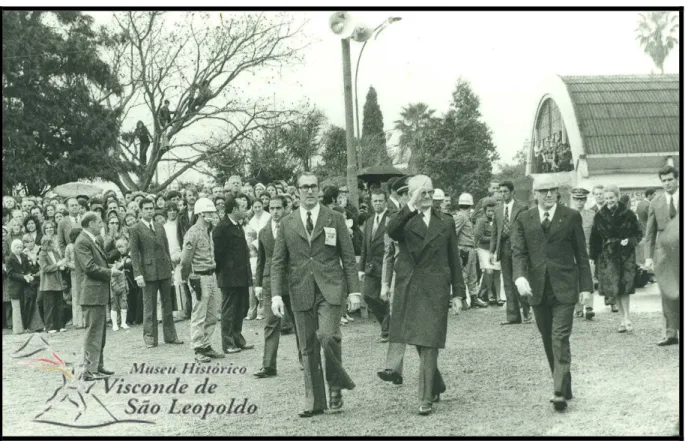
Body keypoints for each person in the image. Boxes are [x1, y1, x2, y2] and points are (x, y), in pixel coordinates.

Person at [270, 172, 361, 418]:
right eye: (304, 187)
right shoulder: (287, 223)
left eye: (313, 187)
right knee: (307, 347)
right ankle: (314, 401)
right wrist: (276, 295)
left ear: (318, 190)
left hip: (330, 288)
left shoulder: (335, 218)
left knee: (328, 336)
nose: (309, 191)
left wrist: (354, 291)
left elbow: (348, 258)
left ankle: (335, 384)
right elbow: (278, 262)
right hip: (300, 290)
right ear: (297, 191)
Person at [382, 175, 466, 415]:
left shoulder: (446, 222)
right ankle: (436, 383)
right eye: (422, 193)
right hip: (410, 286)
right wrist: (410, 205)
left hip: (436, 287)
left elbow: (454, 260)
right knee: (418, 340)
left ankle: (425, 398)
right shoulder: (404, 219)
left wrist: (458, 294)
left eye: (430, 192)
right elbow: (391, 230)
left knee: (429, 342)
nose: (427, 197)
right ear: (411, 195)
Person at [511, 176, 592, 412]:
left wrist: (586, 287)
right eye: (543, 191)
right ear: (535, 194)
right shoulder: (524, 218)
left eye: (552, 190)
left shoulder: (571, 216)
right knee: (548, 338)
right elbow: (519, 253)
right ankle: (564, 384)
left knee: (559, 337)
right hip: (537, 290)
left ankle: (557, 391)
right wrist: (520, 276)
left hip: (565, 288)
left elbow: (582, 254)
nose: (548, 194)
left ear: (558, 193)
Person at [253, 195, 301, 378]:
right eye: (271, 208)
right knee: (271, 324)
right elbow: (261, 260)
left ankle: (305, 359)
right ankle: (268, 366)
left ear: (285, 208)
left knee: (299, 322)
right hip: (270, 282)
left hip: (293, 280)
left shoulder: (294, 227)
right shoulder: (264, 231)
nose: (274, 212)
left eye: (278, 208)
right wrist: (258, 284)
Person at [128, 199, 183, 348]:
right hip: (147, 272)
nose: (149, 211)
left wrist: (171, 269)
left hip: (164, 270)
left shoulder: (160, 226)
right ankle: (150, 337)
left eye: (151, 208)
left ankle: (171, 336)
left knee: (168, 304)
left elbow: (166, 248)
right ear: (140, 211)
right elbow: (134, 254)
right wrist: (137, 274)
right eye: (146, 208)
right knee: (149, 306)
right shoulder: (135, 229)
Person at [74, 212, 121, 381]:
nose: (102, 225)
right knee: (93, 332)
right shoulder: (82, 241)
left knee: (99, 332)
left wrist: (110, 267)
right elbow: (89, 267)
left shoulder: (90, 240)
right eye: (99, 222)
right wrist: (110, 272)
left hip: (97, 293)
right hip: (91, 294)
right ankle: (88, 370)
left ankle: (96, 366)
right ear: (91, 223)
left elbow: (96, 264)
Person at [589, 185, 642, 333]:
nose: (609, 201)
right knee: (615, 289)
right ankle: (622, 320)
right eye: (606, 198)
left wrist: (630, 240)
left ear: (617, 197)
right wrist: (593, 256)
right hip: (608, 256)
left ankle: (627, 318)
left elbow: (639, 232)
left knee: (625, 287)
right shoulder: (599, 215)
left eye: (611, 198)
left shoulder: (629, 214)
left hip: (625, 255)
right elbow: (594, 238)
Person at [180, 198, 225, 363]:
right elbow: (185, 260)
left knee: (212, 314)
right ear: (201, 213)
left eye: (213, 212)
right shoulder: (193, 233)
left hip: (211, 275)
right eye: (209, 212)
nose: (212, 215)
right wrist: (187, 278)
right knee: (199, 314)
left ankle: (206, 345)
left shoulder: (209, 231)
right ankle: (198, 347)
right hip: (199, 276)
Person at [213, 193, 255, 354]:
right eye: (243, 207)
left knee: (241, 308)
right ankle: (228, 343)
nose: (245, 210)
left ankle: (237, 338)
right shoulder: (222, 228)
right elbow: (218, 255)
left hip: (241, 275)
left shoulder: (237, 225)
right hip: (229, 277)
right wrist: (223, 273)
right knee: (229, 310)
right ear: (235, 209)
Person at [644, 166, 680, 346]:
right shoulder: (655, 203)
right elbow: (649, 233)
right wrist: (649, 257)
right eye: (664, 181)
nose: (667, 183)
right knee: (667, 292)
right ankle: (670, 333)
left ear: (677, 179)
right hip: (664, 255)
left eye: (670, 180)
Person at [490, 180, 531, 325]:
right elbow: (495, 232)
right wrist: (492, 251)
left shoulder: (522, 207)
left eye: (505, 191)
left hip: (519, 248)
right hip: (504, 247)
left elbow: (527, 229)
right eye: (500, 192)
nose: (503, 194)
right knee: (507, 282)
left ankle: (527, 311)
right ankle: (513, 316)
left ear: (512, 192)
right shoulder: (497, 210)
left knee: (519, 280)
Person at [359, 189, 391, 343]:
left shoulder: (390, 219)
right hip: (371, 267)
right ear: (371, 202)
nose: (377, 203)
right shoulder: (369, 221)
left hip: (385, 265)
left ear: (386, 201)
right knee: (368, 296)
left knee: (385, 298)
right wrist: (360, 268)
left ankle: (387, 330)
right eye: (375, 201)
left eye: (380, 201)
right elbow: (365, 247)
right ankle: (387, 323)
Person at [454, 193, 488, 309]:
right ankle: (463, 299)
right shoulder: (461, 217)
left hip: (470, 249)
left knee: (473, 275)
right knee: (464, 276)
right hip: (464, 249)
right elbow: (454, 233)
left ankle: (474, 298)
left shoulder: (465, 217)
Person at [570, 187, 597, 320]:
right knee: (574, 279)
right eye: (576, 199)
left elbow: (595, 237)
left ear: (585, 200)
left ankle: (589, 307)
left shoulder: (591, 215)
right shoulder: (567, 214)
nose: (579, 202)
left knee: (589, 278)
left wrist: (593, 254)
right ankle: (578, 308)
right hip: (572, 251)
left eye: (582, 199)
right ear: (573, 199)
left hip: (587, 251)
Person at [474, 197, 503, 306]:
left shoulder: (498, 220)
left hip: (495, 250)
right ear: (485, 211)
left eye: (493, 210)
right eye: (489, 211)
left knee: (497, 272)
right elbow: (479, 237)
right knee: (489, 271)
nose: (491, 213)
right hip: (484, 249)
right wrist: (494, 238)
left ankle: (498, 296)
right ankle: (489, 294)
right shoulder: (482, 221)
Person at [39, 236, 67, 333]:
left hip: (58, 281)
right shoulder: (42, 254)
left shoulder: (55, 253)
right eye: (51, 243)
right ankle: (50, 327)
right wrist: (58, 265)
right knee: (49, 305)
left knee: (59, 304)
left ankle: (61, 325)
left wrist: (62, 265)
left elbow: (59, 264)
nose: (53, 245)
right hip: (48, 283)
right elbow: (45, 268)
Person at [7, 239, 30, 335]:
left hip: (24, 285)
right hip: (14, 286)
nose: (19, 249)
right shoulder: (9, 259)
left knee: (23, 306)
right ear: (13, 248)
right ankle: (17, 329)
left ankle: (24, 327)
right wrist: (23, 276)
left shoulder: (24, 257)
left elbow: (27, 268)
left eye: (21, 247)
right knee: (16, 307)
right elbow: (10, 273)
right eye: (17, 247)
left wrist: (28, 274)